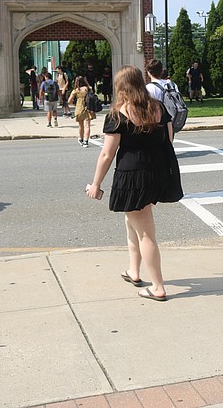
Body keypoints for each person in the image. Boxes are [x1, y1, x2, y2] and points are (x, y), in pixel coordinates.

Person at [86, 65, 182, 302]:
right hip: (156, 172)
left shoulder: (119, 114)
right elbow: (168, 139)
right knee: (132, 221)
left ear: (121, 86)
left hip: (132, 176)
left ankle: (158, 286)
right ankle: (134, 271)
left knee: (146, 233)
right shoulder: (158, 108)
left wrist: (95, 184)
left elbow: (107, 154)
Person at [68, 76, 94, 147]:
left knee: (81, 125)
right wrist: (87, 83)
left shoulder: (76, 90)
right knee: (87, 125)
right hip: (88, 108)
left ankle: (81, 138)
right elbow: (92, 93)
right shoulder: (88, 89)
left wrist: (75, 104)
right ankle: (86, 141)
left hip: (79, 108)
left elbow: (69, 101)